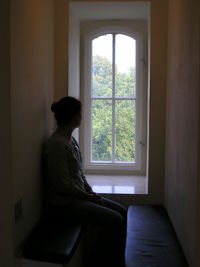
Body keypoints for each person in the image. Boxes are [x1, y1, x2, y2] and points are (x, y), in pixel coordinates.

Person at [43, 96, 127, 267]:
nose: (82, 116)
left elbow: (79, 173)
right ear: (73, 116)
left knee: (123, 212)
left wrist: (89, 190)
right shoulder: (56, 145)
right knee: (115, 220)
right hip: (64, 204)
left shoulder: (71, 140)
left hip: (78, 197)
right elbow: (63, 185)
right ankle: (99, 262)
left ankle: (109, 260)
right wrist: (88, 197)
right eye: (80, 113)